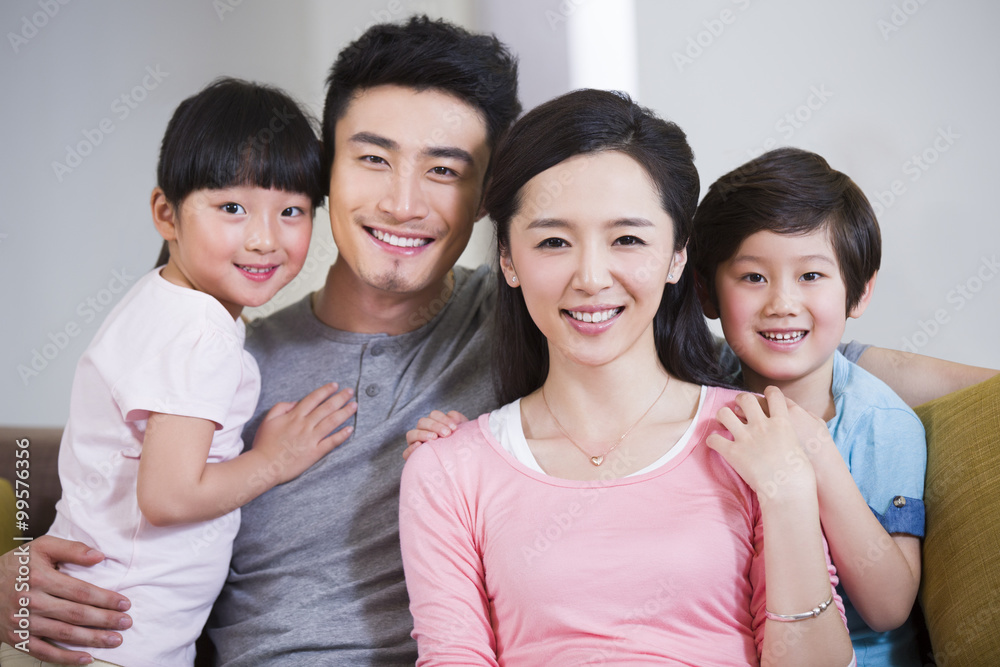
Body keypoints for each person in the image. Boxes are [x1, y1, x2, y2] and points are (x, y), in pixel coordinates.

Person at [2, 15, 995, 667]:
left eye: (445, 169)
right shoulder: (221, 359)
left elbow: (787, 341)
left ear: (487, 204)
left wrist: (958, 390)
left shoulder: (551, 315)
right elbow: (50, 471)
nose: (402, 201)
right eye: (372, 159)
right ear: (326, 172)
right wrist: (5, 575)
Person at [399, 88, 855, 665]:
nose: (591, 277)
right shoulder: (447, 470)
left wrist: (789, 494)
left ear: (677, 257)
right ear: (509, 260)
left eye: (628, 239)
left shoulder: (757, 438)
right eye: (554, 242)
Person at [0, 78, 358, 666]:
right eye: (233, 208)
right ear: (166, 213)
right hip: (120, 642)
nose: (265, 238)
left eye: (291, 210)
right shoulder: (203, 332)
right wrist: (273, 460)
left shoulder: (155, 301)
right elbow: (167, 496)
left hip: (82, 629)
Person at [689, 147, 925, 665]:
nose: (781, 303)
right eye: (753, 277)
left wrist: (817, 454)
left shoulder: (881, 426)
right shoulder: (693, 393)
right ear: (706, 293)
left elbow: (888, 608)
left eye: (811, 277)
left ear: (858, 292)